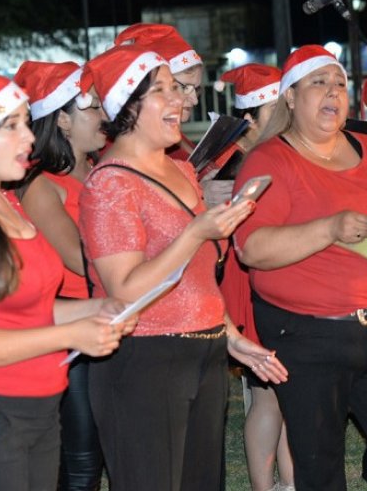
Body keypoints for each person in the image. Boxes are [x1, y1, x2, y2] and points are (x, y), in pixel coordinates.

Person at [78, 45, 286, 491]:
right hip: (144, 358)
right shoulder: (110, 182)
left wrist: (229, 334)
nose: (180, 101)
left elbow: (195, 279)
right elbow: (124, 288)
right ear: (127, 107)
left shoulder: (181, 171)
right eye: (164, 91)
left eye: (178, 88)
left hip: (205, 350)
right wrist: (195, 232)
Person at [233, 45, 367, 491]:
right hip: (307, 336)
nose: (333, 92)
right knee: (319, 465)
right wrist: (329, 228)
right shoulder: (269, 160)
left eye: (340, 83)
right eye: (318, 82)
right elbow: (251, 247)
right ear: (289, 96)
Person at [0, 70, 132, 491]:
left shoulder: (6, 202)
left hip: (38, 408)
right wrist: (71, 334)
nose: (30, 139)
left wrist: (95, 308)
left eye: (26, 123)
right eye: (13, 126)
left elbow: (26, 307)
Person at [14, 60, 109, 491]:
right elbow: (76, 257)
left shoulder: (104, 171)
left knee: (107, 450)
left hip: (108, 315)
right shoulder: (41, 185)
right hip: (70, 327)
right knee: (82, 462)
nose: (105, 117)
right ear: (64, 120)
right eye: (92, 109)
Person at [214, 63, 294, 491]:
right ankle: (267, 486)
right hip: (248, 286)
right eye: (276, 110)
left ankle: (288, 479)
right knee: (267, 393)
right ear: (251, 119)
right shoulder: (235, 166)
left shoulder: (271, 154)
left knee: (281, 390)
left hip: (270, 281)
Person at [114, 23, 206, 159]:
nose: (195, 100)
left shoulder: (174, 136)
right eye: (184, 87)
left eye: (196, 89)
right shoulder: (126, 154)